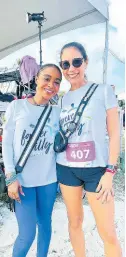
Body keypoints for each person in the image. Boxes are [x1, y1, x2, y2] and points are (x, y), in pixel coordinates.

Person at [56, 42, 122, 257]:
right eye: (65, 64)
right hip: (66, 168)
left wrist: (110, 172)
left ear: (85, 62)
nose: (71, 68)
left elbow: (114, 134)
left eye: (76, 62)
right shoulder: (62, 99)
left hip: (97, 169)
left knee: (108, 233)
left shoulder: (103, 91)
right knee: (74, 222)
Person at [2, 63, 62, 257]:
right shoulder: (16, 106)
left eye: (57, 82)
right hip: (22, 182)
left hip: (48, 181)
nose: (51, 85)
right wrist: (10, 177)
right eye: (47, 78)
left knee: (45, 226)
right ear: (36, 78)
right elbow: (7, 143)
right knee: (27, 235)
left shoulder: (57, 112)